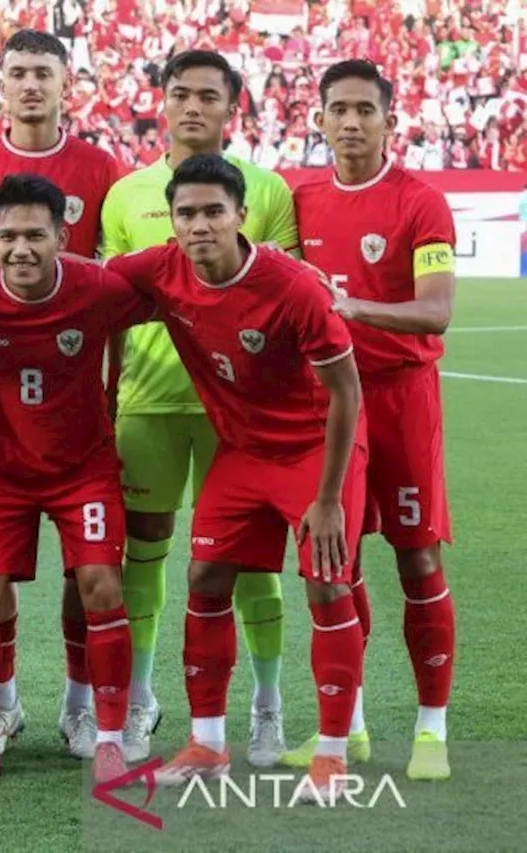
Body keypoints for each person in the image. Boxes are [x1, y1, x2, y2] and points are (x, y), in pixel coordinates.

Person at [104, 155, 368, 800]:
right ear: (172, 222)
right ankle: (208, 744)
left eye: (213, 212)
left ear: (240, 216)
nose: (199, 226)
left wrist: (329, 498)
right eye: (186, 213)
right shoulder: (161, 269)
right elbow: (83, 281)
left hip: (313, 451)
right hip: (243, 452)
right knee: (205, 576)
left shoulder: (292, 287)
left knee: (327, 588)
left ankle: (332, 756)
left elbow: (347, 393)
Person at [100, 50, 295, 767]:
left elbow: (284, 298)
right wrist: (105, 391)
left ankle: (266, 706)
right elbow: (109, 305)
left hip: (238, 415)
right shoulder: (125, 194)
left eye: (207, 96)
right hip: (147, 403)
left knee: (250, 564)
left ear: (230, 107)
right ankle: (143, 699)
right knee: (141, 554)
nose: (191, 107)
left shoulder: (269, 191)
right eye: (178, 94)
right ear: (160, 102)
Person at [0, 174, 153, 784]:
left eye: (36, 235)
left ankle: (107, 735)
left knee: (102, 585)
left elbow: (172, 282)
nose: (21, 249)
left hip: (84, 469)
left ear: (62, 237)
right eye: (7, 237)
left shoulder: (97, 287)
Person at [0, 27, 121, 762]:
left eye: (45, 72)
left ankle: (89, 715)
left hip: (81, 427)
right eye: (18, 72)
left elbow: (132, 277)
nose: (31, 84)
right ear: (0, 83)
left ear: (66, 83)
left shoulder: (101, 165)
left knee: (93, 578)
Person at [284, 59, 457, 782]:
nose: (350, 121)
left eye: (365, 109)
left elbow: (437, 309)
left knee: (417, 558)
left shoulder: (422, 202)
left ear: (392, 117)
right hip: (328, 404)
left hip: (400, 399)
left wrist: (352, 309)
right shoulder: (299, 198)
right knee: (335, 561)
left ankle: (430, 731)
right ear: (318, 118)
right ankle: (346, 727)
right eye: (338, 109)